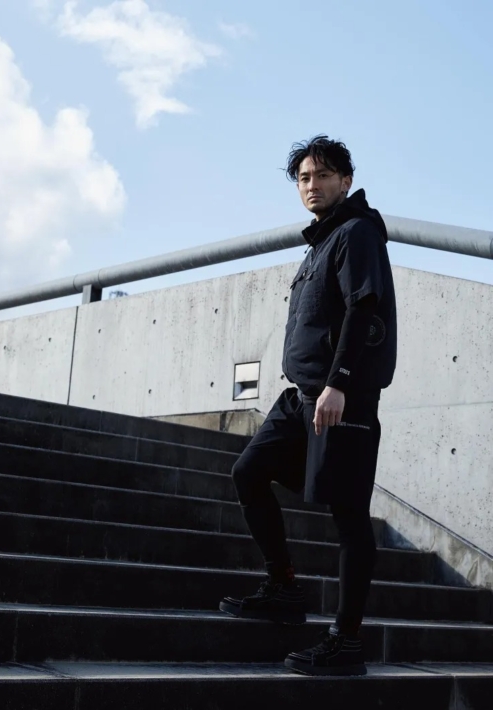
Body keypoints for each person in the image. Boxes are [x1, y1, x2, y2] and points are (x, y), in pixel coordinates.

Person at [219, 135, 397, 677]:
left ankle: (346, 640)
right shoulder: (321, 242)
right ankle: (284, 587)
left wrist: (340, 383)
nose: (311, 185)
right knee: (249, 472)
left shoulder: (357, 232)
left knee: (349, 516)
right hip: (299, 397)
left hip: (341, 398)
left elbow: (364, 310)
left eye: (322, 175)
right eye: (303, 178)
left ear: (346, 180)